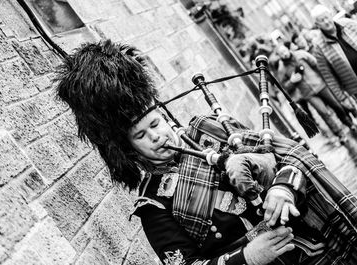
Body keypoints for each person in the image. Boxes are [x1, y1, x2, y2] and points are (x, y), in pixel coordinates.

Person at [55, 40, 357, 265]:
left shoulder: (210, 130)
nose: (158, 136)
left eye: (156, 123)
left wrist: (283, 187)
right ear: (128, 149)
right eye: (142, 135)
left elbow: (288, 155)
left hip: (318, 248)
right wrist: (247, 257)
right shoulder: (153, 206)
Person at [276, 44, 354, 143]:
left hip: (320, 85)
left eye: (284, 51)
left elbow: (316, 64)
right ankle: (340, 134)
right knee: (324, 112)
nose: (284, 54)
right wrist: (292, 81)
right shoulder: (282, 69)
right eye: (281, 53)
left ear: (287, 49)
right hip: (308, 94)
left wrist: (327, 79)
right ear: (279, 56)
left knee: (336, 105)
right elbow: (284, 87)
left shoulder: (301, 54)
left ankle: (349, 123)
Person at [311, 4, 357, 119]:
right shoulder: (319, 47)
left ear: (331, 15)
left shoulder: (349, 24)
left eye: (327, 17)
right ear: (317, 25)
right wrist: (342, 98)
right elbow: (329, 77)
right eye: (321, 20)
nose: (326, 21)